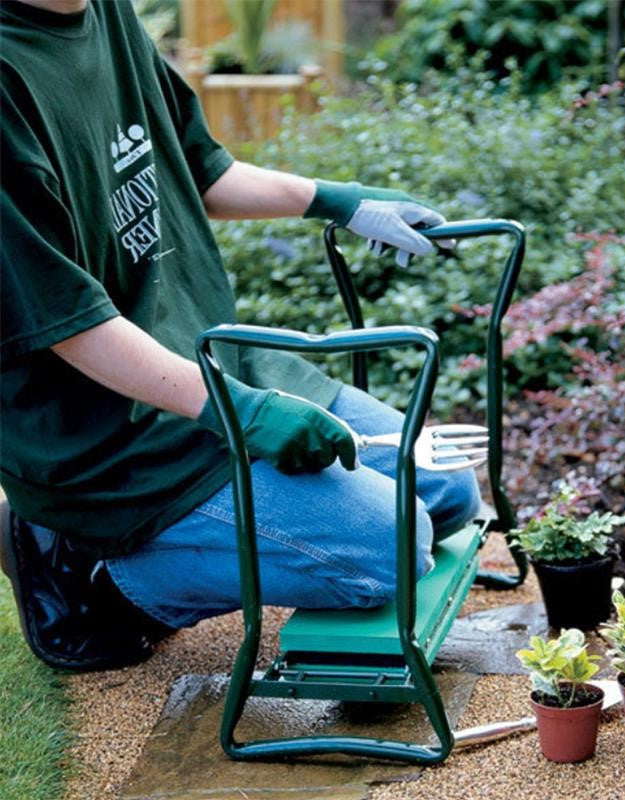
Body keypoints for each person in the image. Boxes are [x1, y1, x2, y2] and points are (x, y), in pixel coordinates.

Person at [0, 0, 480, 671]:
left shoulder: (103, 9)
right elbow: (70, 323)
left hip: (209, 360)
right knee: (394, 548)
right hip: (109, 435)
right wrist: (242, 412)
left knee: (447, 490)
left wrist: (341, 201)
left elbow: (201, 169)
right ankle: (93, 575)